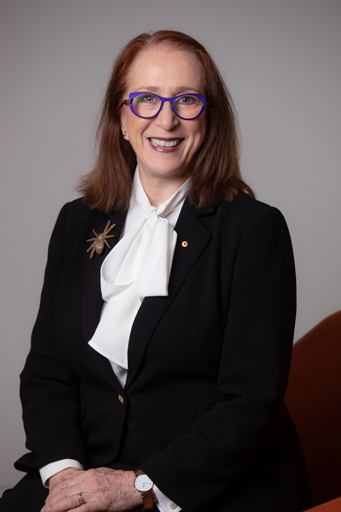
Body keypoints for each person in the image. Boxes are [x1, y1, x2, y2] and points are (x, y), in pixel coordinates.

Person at [0, 30, 310, 512]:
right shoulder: (77, 221)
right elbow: (48, 372)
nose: (165, 119)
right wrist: (65, 473)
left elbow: (250, 404)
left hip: (206, 486)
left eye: (186, 99)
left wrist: (139, 487)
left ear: (209, 118)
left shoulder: (253, 229)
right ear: (120, 118)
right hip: (90, 468)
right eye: (145, 99)